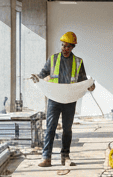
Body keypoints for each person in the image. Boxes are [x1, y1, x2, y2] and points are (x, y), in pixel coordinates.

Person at [30, 31, 95, 167]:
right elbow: (43, 74)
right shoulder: (53, 59)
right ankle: (46, 158)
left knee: (67, 129)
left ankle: (65, 157)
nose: (64, 49)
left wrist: (90, 86)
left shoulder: (78, 62)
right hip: (54, 99)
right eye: (63, 45)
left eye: (68, 46)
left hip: (70, 100)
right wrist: (37, 78)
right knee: (50, 127)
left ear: (72, 47)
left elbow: (82, 80)